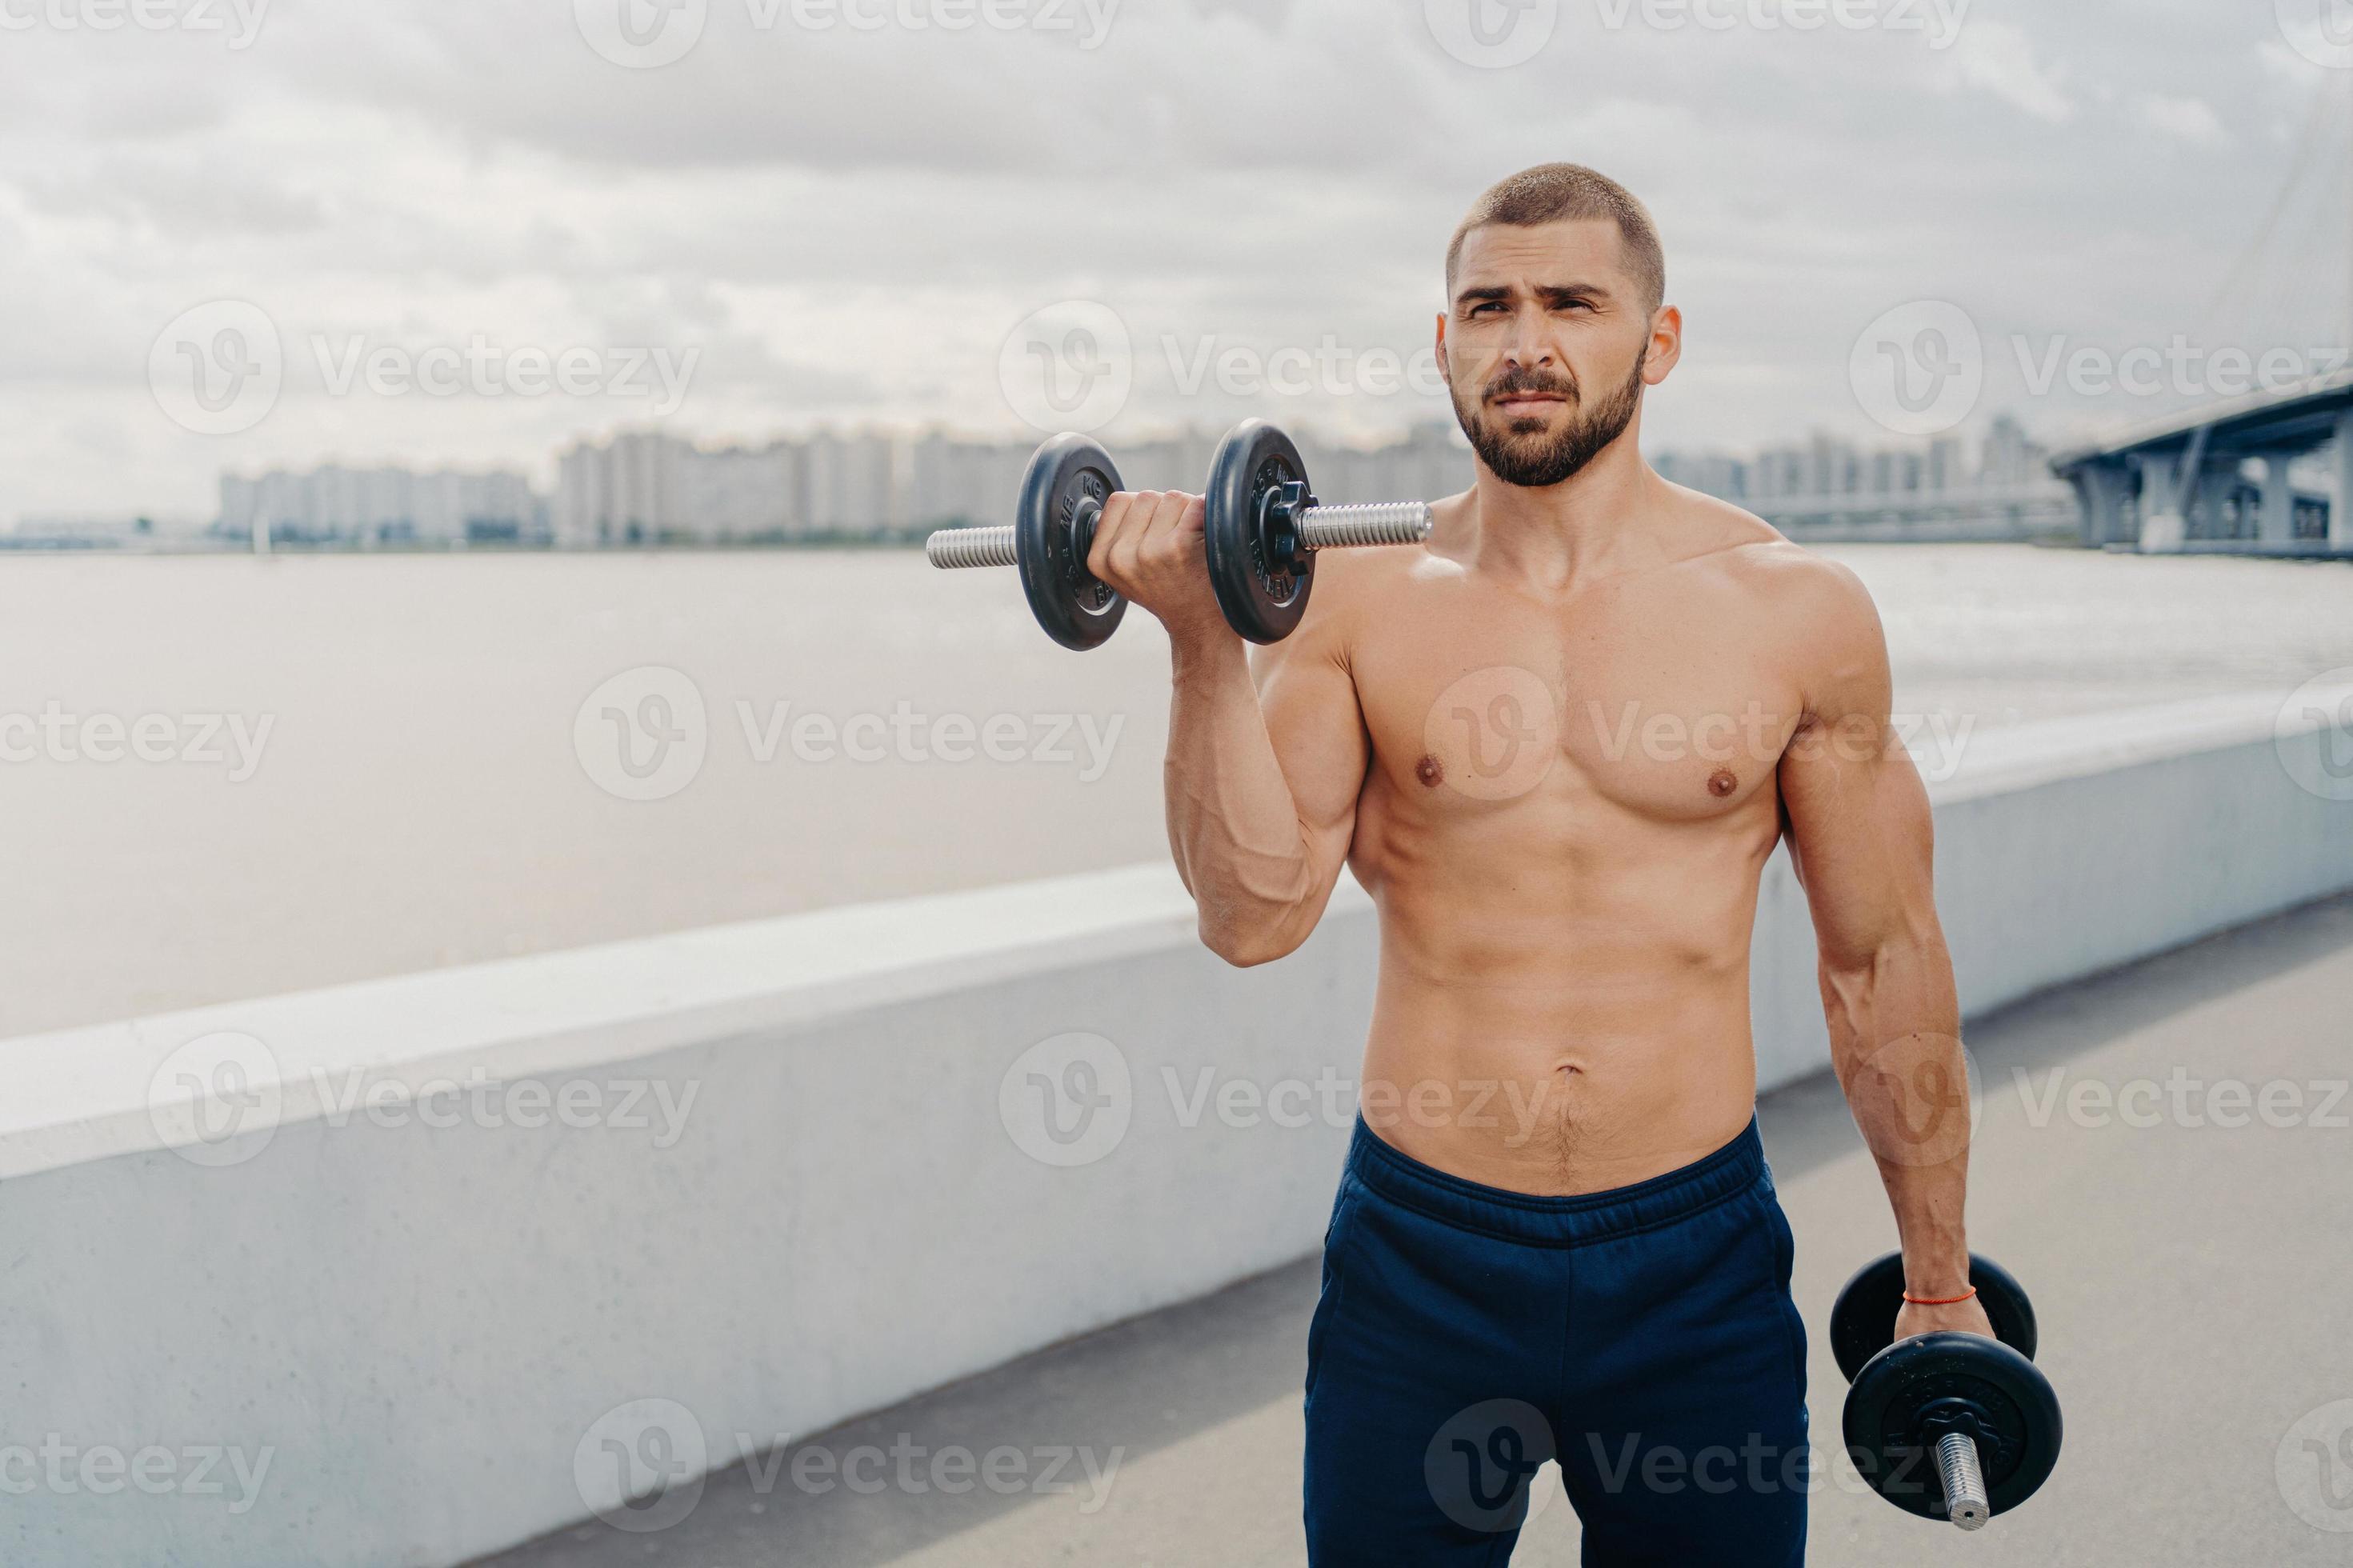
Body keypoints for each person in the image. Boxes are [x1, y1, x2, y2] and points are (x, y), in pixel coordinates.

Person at [1081, 162, 1990, 1565]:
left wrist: (1936, 1279)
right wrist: (1204, 643)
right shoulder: (1351, 600)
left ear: (1658, 340)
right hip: (1422, 1262)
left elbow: (1880, 963)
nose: (1525, 341)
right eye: (1487, 306)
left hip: (1692, 1264)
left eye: (1572, 302)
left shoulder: (1794, 612)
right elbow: (1252, 918)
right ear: (1442, 340)